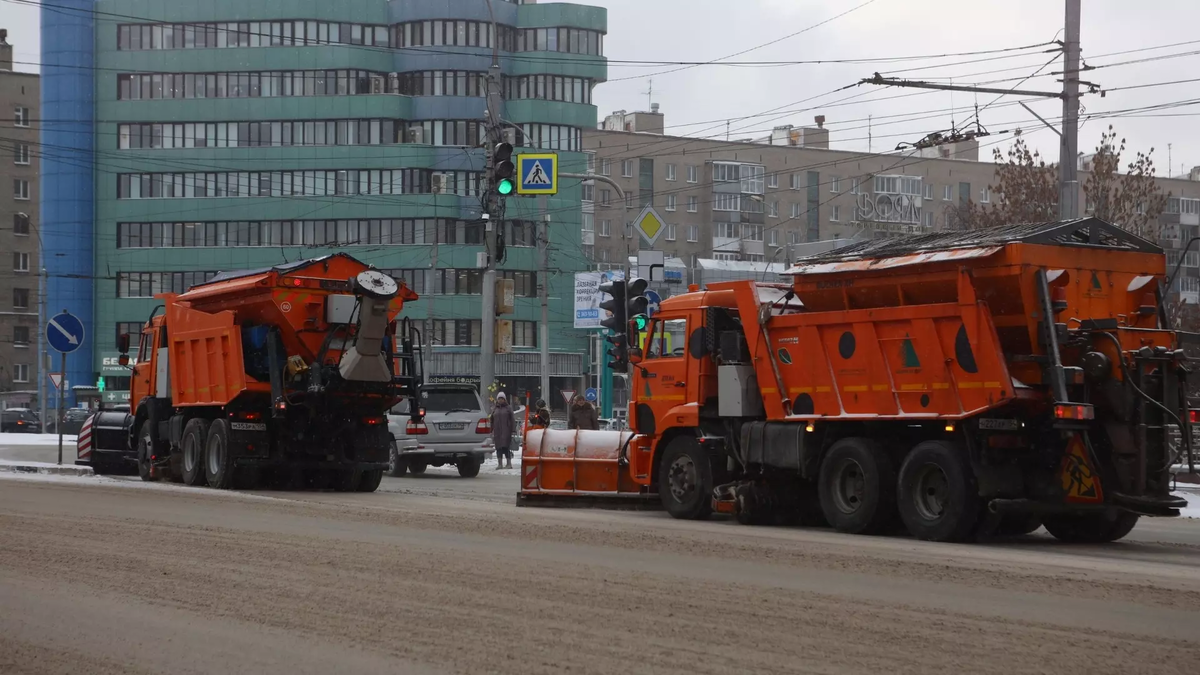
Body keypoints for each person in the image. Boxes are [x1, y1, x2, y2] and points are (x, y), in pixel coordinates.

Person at [490, 392, 516, 469]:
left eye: (502, 399)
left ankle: (509, 463)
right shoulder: (495, 408)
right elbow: (491, 420)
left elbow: (512, 419)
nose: (500, 400)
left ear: (504, 399)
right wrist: (490, 430)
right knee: (498, 448)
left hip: (506, 431)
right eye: (499, 399)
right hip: (497, 431)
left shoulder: (508, 408)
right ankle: (500, 464)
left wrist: (513, 430)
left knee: (506, 447)